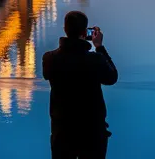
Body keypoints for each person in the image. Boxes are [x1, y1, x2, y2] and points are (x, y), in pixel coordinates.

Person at [42, 10, 118, 159]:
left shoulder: (50, 58)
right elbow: (112, 77)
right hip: (92, 131)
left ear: (65, 30)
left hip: (62, 131)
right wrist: (99, 47)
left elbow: (47, 74)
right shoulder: (95, 60)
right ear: (85, 32)